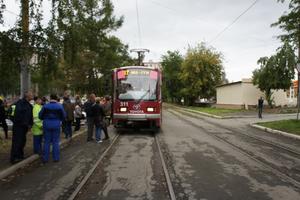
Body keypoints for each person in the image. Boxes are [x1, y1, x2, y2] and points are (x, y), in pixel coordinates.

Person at [39, 94, 66, 163]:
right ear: (56, 98)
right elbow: (64, 115)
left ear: (50, 98)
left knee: (47, 142)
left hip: (47, 124)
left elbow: (40, 115)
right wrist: (59, 119)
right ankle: (56, 158)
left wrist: (45, 118)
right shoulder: (59, 106)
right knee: (55, 142)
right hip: (56, 124)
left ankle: (45, 158)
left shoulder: (45, 106)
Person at [10, 91, 33, 164]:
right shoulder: (20, 103)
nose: (32, 96)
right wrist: (23, 123)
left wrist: (30, 124)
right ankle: (14, 158)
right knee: (17, 142)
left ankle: (20, 155)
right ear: (27, 96)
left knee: (22, 141)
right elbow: (17, 115)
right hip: (19, 126)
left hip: (24, 127)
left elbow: (29, 115)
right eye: (31, 95)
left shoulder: (28, 104)